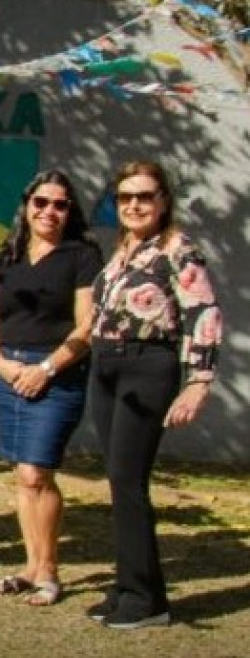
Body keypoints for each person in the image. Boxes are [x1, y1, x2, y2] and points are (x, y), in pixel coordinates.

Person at [85, 161, 221, 629]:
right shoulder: (124, 249)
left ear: (164, 200)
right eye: (125, 198)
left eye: (144, 196)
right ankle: (129, 587)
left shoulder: (179, 249)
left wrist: (198, 382)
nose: (135, 205)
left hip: (147, 367)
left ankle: (147, 601)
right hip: (107, 366)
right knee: (119, 481)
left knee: (128, 480)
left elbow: (203, 313)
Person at [0, 171, 100, 608]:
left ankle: (49, 572)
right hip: (8, 372)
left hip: (57, 374)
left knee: (37, 471)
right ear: (26, 206)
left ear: (70, 212)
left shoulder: (82, 255)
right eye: (41, 202)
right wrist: (4, 367)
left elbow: (87, 326)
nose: (49, 211)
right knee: (23, 474)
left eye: (60, 205)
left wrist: (46, 368)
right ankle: (30, 568)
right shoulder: (3, 256)